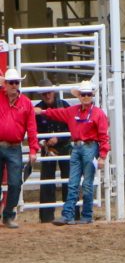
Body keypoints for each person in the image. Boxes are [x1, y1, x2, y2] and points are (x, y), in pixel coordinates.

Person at [35, 79, 109, 226]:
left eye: (88, 94)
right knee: (73, 183)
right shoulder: (74, 111)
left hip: (89, 147)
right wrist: (43, 111)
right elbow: (56, 113)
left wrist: (102, 156)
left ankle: (84, 215)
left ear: (91, 95)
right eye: (83, 94)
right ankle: (70, 215)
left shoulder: (97, 114)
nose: (85, 97)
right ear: (80, 96)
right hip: (78, 147)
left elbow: (104, 136)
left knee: (85, 184)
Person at [0, 67, 39, 229]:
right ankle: (7, 216)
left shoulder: (26, 104)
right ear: (6, 84)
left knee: (15, 183)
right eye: (11, 83)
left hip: (15, 147)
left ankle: (8, 215)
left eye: (16, 82)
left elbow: (32, 128)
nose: (14, 85)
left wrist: (33, 149)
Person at [34, 89, 72, 224]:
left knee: (67, 179)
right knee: (47, 180)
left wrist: (58, 138)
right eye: (44, 93)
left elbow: (71, 126)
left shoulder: (63, 105)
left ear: (53, 92)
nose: (47, 95)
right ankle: (47, 216)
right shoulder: (39, 108)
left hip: (64, 145)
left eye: (49, 92)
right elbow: (34, 129)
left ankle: (69, 213)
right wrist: (44, 141)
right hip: (47, 147)